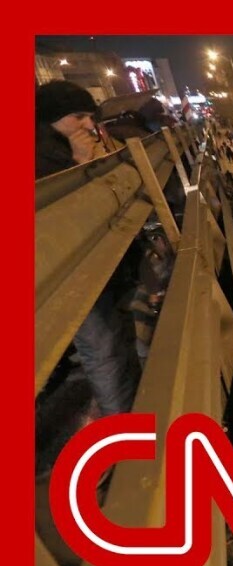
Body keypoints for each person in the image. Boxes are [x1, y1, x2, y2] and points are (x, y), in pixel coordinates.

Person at [35, 81, 140, 423]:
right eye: (77, 116)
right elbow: (63, 213)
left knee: (117, 341)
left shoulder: (68, 146)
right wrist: (80, 163)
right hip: (73, 273)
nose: (87, 124)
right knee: (103, 350)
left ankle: (131, 405)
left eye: (89, 116)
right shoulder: (42, 158)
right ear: (52, 117)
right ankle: (121, 425)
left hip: (102, 260)